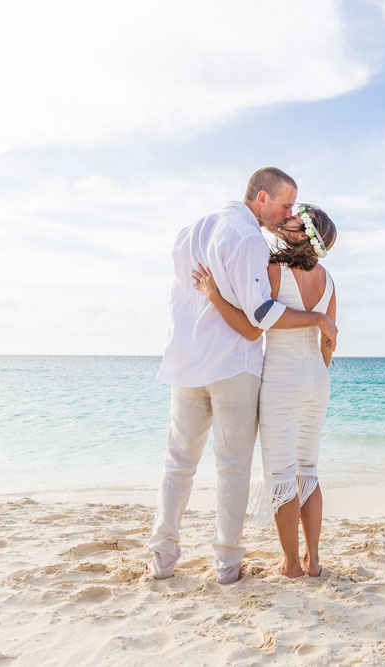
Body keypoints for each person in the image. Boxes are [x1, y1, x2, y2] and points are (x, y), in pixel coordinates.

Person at [147, 168, 337, 585]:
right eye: (287, 206)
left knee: (178, 463)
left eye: (295, 213)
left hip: (188, 360)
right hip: (238, 366)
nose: (290, 214)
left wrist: (212, 295)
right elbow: (258, 321)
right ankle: (230, 565)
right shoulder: (253, 240)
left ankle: (161, 559)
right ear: (263, 197)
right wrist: (319, 319)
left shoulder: (190, 231)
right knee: (243, 469)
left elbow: (187, 293)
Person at [193, 203, 336, 578]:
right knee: (309, 470)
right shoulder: (329, 280)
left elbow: (254, 327)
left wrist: (213, 295)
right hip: (318, 382)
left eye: (293, 220)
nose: (285, 221)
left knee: (281, 474)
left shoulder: (274, 271)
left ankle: (290, 565)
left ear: (305, 233)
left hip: (282, 381)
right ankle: (314, 562)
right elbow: (328, 344)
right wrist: (314, 373)